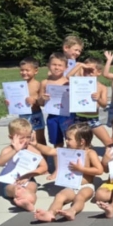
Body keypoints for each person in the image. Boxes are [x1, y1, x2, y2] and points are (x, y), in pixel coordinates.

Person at [30, 123, 104, 222]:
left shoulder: (90, 153)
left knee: (80, 198)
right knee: (60, 196)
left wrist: (81, 169)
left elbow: (99, 170)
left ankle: (72, 211)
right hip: (71, 186)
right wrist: (36, 145)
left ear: (81, 141)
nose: (66, 141)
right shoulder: (67, 151)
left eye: (69, 139)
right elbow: (50, 151)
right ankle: (50, 213)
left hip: (86, 186)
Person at [0, 118, 49, 212]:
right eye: (21, 138)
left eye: (28, 137)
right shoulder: (8, 150)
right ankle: (21, 197)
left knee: (31, 188)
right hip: (10, 181)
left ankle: (28, 203)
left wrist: (29, 175)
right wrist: (15, 150)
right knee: (14, 189)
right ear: (11, 138)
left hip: (28, 179)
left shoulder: (32, 150)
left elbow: (44, 167)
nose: (25, 140)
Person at [38, 52, 73, 180]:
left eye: (60, 65)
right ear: (48, 65)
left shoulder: (69, 82)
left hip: (68, 116)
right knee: (57, 143)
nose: (57, 67)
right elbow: (40, 102)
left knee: (71, 142)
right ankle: (58, 169)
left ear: (65, 67)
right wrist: (42, 98)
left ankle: (71, 168)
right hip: (53, 117)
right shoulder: (45, 83)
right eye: (54, 65)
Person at [66, 57, 112, 148]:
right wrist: (80, 65)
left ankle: (110, 156)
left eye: (91, 70)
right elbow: (68, 76)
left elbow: (104, 104)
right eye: (85, 70)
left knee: (109, 142)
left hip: (93, 119)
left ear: (99, 72)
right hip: (79, 118)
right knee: (77, 143)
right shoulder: (78, 83)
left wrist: (98, 98)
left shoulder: (102, 87)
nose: (87, 73)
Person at [9, 57, 45, 146]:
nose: (24, 72)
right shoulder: (18, 86)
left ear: (35, 71)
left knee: (39, 137)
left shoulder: (38, 84)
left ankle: (43, 154)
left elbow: (42, 102)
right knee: (24, 137)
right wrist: (9, 103)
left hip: (35, 114)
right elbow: (15, 101)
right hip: (22, 115)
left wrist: (34, 101)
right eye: (22, 70)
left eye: (27, 70)